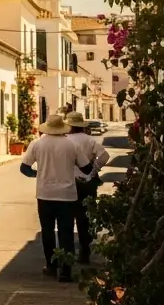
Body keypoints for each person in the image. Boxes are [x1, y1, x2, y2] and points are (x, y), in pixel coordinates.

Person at [20, 114, 94, 282]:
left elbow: (24, 168)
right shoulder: (72, 144)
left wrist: (38, 175)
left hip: (44, 194)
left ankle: (51, 266)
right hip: (67, 196)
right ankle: (66, 271)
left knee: (48, 231)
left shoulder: (37, 144)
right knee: (66, 232)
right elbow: (87, 168)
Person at [65, 111, 110, 264]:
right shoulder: (90, 140)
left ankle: (68, 253)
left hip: (68, 183)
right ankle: (84, 251)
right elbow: (105, 156)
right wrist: (93, 170)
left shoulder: (65, 140)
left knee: (68, 218)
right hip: (87, 182)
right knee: (85, 218)